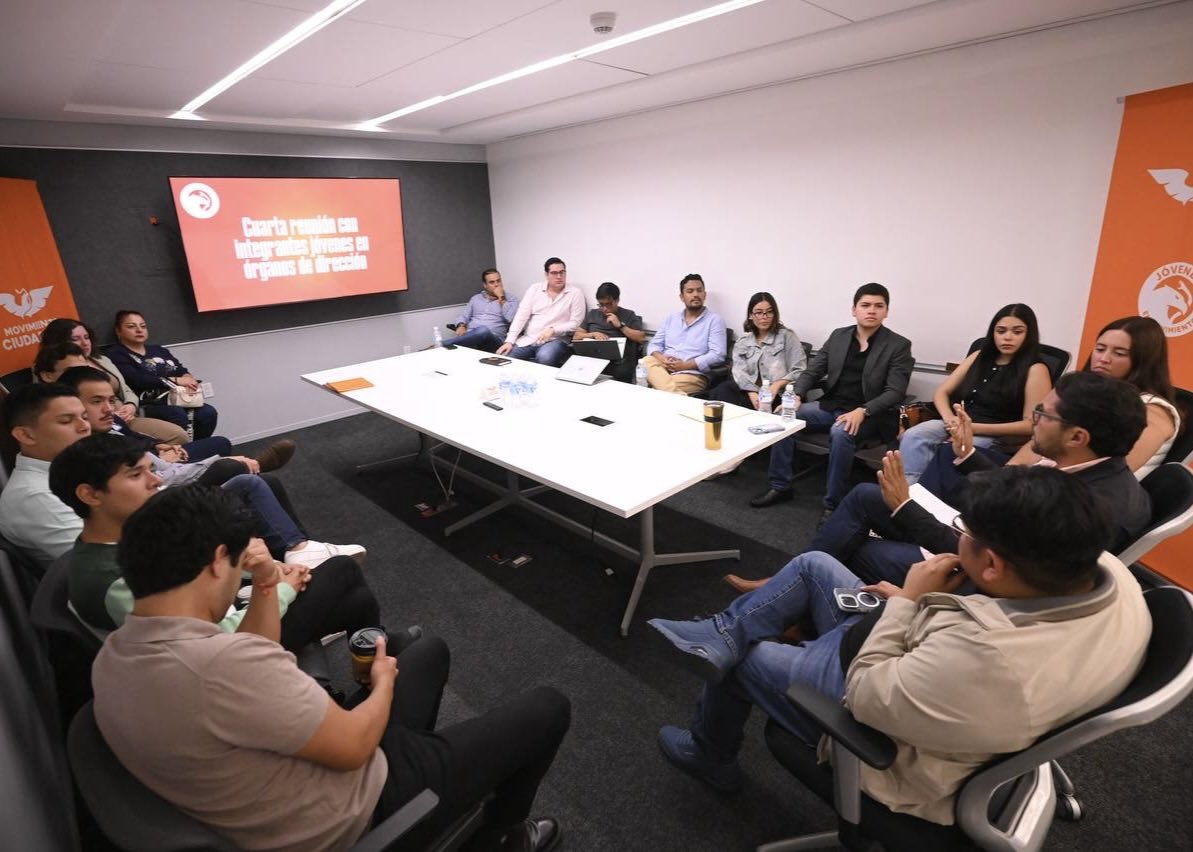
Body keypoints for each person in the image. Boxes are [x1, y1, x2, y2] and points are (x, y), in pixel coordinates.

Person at [650, 465, 1150, 827]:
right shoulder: (1109, 572)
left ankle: (709, 751)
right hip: (931, 669)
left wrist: (909, 600)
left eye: (963, 533)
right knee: (814, 566)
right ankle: (723, 632)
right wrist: (913, 605)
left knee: (748, 660)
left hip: (889, 730)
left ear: (993, 565)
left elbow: (866, 695)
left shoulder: (993, 661)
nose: (957, 538)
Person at [92, 485, 571, 851]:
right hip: (353, 806)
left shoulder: (115, 652)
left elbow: (252, 649)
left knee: (427, 654)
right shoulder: (222, 664)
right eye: (239, 563)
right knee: (548, 708)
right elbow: (353, 746)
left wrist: (263, 582)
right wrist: (381, 685)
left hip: (286, 777)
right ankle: (501, 838)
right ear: (218, 562)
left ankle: (434, 781)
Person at [728, 370, 1152, 593]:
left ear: (1078, 436)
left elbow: (992, 567)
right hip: (978, 538)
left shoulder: (1091, 508)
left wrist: (905, 508)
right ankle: (790, 584)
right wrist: (967, 456)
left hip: (975, 575)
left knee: (860, 547)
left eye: (1043, 416)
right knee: (861, 496)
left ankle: (804, 608)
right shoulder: (1089, 468)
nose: (1034, 422)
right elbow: (1012, 495)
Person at [49, 434, 406, 657]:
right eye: (136, 475)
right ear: (90, 494)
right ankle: (379, 658)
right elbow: (207, 643)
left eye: (149, 469)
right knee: (341, 570)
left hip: (225, 620)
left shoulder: (131, 536)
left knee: (357, 600)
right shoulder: (111, 580)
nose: (155, 479)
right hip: (227, 652)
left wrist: (263, 576)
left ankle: (377, 654)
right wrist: (277, 589)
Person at [59, 367, 354, 570]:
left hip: (165, 485)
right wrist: (212, 464)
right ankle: (298, 552)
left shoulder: (112, 431)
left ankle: (299, 553)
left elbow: (153, 465)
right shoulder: (88, 457)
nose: (109, 408)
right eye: (97, 402)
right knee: (237, 473)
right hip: (166, 507)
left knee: (263, 481)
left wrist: (159, 450)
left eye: (111, 400)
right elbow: (162, 478)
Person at [750, 283, 913, 526]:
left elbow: (895, 392)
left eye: (878, 306)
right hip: (830, 407)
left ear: (886, 312)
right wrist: (797, 395)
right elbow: (812, 372)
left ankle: (833, 504)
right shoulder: (839, 336)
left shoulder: (898, 345)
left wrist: (863, 410)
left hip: (869, 415)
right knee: (786, 416)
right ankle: (780, 485)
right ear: (854, 310)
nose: (871, 311)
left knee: (841, 432)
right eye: (865, 305)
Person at [1004, 315, 1182, 479]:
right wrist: (1006, 473)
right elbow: (1039, 442)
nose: (1103, 359)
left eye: (1119, 353)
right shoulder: (1084, 393)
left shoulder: (1153, 411)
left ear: (1144, 362)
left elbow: (1110, 471)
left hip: (1079, 498)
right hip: (1039, 482)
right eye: (1100, 349)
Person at [898, 304, 1051, 484]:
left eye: (1017, 332)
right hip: (957, 423)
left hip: (992, 433)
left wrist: (973, 428)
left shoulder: (1036, 369)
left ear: (1028, 335)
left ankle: (935, 496)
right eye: (1001, 331)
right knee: (915, 435)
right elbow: (942, 392)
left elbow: (1030, 425)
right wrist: (949, 419)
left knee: (954, 450)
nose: (1007, 337)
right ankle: (911, 492)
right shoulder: (979, 356)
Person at [39, 317, 188, 444]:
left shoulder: (102, 360)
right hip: (101, 423)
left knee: (180, 434)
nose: (85, 343)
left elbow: (126, 388)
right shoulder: (55, 367)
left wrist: (130, 405)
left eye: (86, 337)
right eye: (75, 339)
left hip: (127, 415)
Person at [0, 383, 92, 567]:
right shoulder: (34, 496)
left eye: (85, 417)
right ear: (26, 435)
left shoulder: (79, 468)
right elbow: (102, 564)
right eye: (66, 421)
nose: (85, 427)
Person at [106, 309, 219, 439]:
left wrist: (188, 379)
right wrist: (176, 380)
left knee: (208, 413)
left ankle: (199, 448)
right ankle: (181, 453)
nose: (139, 330)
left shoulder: (158, 350)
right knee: (177, 413)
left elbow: (181, 370)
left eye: (143, 326)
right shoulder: (116, 353)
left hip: (176, 398)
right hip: (148, 403)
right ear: (118, 331)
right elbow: (137, 380)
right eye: (131, 326)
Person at [709, 292, 806, 410]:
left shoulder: (787, 336)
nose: (764, 317)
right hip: (750, 391)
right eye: (759, 313)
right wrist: (751, 392)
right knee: (722, 390)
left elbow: (799, 369)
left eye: (769, 312)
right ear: (751, 315)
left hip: (778, 395)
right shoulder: (743, 341)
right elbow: (739, 372)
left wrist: (777, 385)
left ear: (775, 314)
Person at [642, 273, 727, 395]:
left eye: (699, 290)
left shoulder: (715, 320)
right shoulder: (671, 318)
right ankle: (679, 396)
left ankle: (665, 391)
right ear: (682, 297)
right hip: (663, 369)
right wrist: (663, 359)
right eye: (690, 291)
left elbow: (717, 354)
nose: (695, 294)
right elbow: (654, 346)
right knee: (646, 361)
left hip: (691, 375)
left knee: (655, 388)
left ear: (705, 295)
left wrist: (685, 365)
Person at [497, 257, 586, 366]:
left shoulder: (575, 293)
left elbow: (575, 323)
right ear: (546, 275)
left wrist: (553, 330)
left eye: (562, 272)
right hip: (529, 339)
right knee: (505, 357)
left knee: (544, 357)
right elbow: (521, 316)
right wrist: (509, 341)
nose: (559, 276)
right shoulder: (534, 289)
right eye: (554, 273)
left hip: (555, 340)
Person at [571, 282, 646, 383]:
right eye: (601, 305)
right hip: (593, 356)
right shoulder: (593, 314)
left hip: (618, 361)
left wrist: (621, 326)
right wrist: (592, 334)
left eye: (608, 304)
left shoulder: (628, 315)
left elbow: (641, 338)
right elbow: (576, 336)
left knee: (622, 371)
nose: (605, 309)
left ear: (617, 300)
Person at [451, 268, 520, 353]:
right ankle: (448, 346)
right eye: (492, 282)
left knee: (483, 330)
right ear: (485, 285)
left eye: (498, 281)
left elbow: (510, 318)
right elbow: (464, 315)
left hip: (494, 340)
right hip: (471, 335)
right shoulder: (476, 298)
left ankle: (443, 345)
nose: (496, 284)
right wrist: (461, 325)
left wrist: (501, 298)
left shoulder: (511, 299)